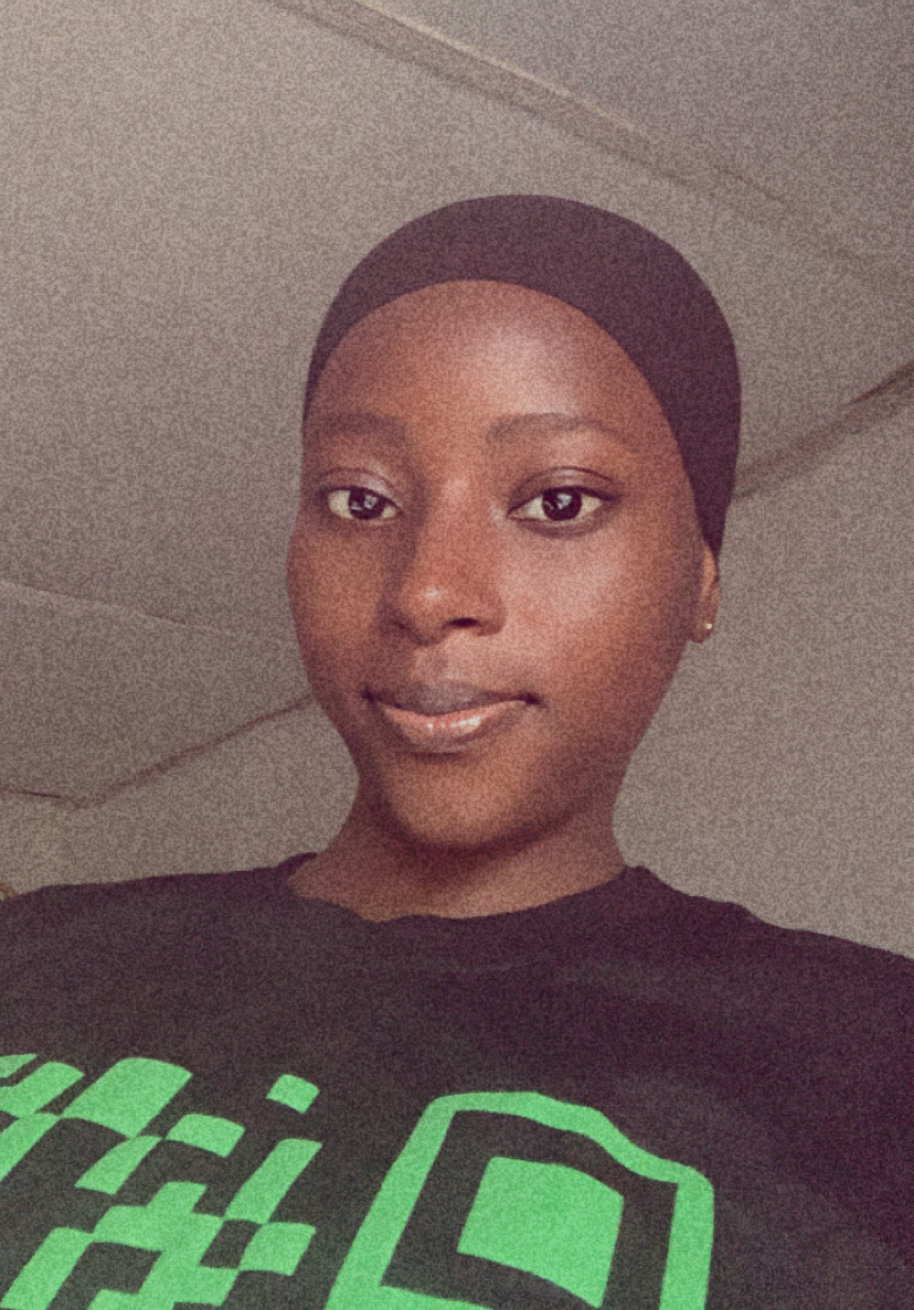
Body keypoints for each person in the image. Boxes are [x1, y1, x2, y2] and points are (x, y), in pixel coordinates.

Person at [0, 196, 910, 1308]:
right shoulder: (32, 949)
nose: (428, 591)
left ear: (701, 581)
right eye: (360, 499)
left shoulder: (873, 1060)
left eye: (558, 501)